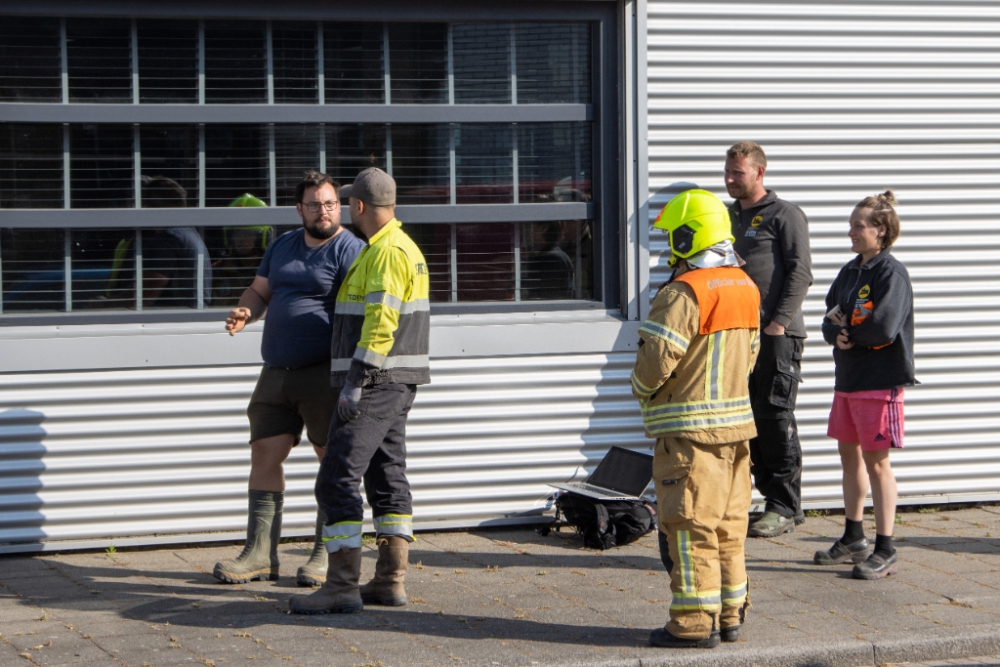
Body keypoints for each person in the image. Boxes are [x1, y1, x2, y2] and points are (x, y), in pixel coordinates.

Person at [289, 167, 430, 615]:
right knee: (387, 476)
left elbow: (381, 323)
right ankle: (389, 581)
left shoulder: (386, 253)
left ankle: (341, 586)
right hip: (395, 383)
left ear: (359, 206)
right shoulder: (397, 247)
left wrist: (355, 381)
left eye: (348, 201)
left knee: (336, 478)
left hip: (375, 382)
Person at [213, 171, 365, 587]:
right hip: (276, 370)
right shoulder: (282, 246)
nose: (324, 211)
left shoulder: (352, 250)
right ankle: (260, 554)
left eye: (331, 203)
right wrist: (245, 311)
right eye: (315, 204)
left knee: (329, 462)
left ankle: (324, 555)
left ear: (342, 206)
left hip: (325, 374)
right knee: (264, 453)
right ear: (299, 209)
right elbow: (259, 292)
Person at [632, 189, 760, 648]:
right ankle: (730, 616)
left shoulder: (683, 292)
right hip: (736, 432)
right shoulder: (745, 287)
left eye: (673, 237)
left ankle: (690, 625)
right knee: (729, 528)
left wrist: (642, 392)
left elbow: (655, 363)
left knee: (689, 529)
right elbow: (750, 357)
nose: (669, 248)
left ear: (690, 237)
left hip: (689, 436)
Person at [815, 191, 914, 580]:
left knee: (877, 464)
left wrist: (848, 333)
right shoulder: (850, 271)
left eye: (859, 225)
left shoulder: (891, 274)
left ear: (882, 230)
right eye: (851, 224)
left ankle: (885, 547)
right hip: (848, 381)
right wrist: (835, 333)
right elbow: (828, 318)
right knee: (849, 458)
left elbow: (884, 327)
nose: (851, 232)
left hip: (878, 383)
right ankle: (853, 537)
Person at [725, 141, 813, 538]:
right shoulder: (727, 217)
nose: (729, 179)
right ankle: (764, 498)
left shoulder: (785, 214)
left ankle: (784, 505)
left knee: (775, 416)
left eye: (737, 173)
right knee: (749, 419)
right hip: (739, 336)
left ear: (759, 172)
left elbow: (800, 273)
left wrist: (777, 323)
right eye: (727, 172)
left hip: (777, 336)